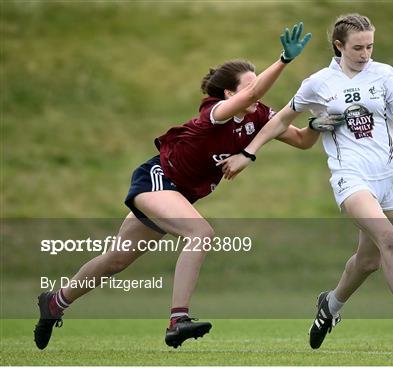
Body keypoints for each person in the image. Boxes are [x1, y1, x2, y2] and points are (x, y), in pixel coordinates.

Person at [33, 22, 316, 350]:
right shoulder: (217, 113)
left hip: (178, 194)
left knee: (117, 259)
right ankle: (177, 319)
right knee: (201, 233)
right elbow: (253, 94)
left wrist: (321, 120)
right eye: (249, 86)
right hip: (158, 180)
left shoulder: (259, 117)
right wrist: (284, 59)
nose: (258, 92)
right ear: (228, 94)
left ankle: (55, 303)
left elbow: (301, 140)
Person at [218, 14, 393, 351]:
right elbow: (281, 118)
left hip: (391, 178)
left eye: (370, 45)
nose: (365, 53)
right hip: (350, 177)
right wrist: (248, 153)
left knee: (369, 261)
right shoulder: (319, 83)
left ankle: (331, 305)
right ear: (339, 46)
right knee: (390, 241)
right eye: (358, 47)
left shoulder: (385, 76)